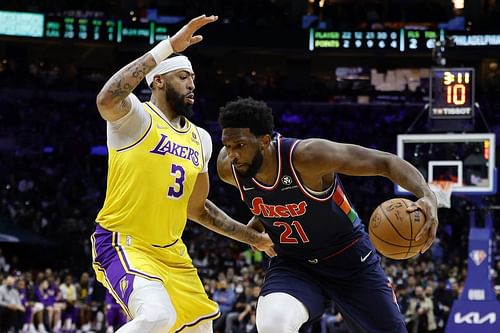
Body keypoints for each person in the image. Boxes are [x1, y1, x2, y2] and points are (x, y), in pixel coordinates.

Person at [91, 15, 272, 333]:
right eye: (182, 76)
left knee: (201, 329)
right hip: (124, 242)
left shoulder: (201, 138)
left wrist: (253, 238)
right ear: (158, 80)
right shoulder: (136, 118)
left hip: (171, 253)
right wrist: (168, 48)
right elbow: (107, 98)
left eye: (193, 79)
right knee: (157, 317)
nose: (192, 84)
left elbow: (197, 208)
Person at [216, 97, 439, 333]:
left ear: (264, 141)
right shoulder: (229, 169)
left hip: (350, 260)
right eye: (227, 146)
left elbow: (385, 162)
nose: (232, 155)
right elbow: (277, 195)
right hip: (294, 264)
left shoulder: (308, 156)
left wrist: (427, 196)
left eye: (239, 146)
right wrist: (265, 218)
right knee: (273, 325)